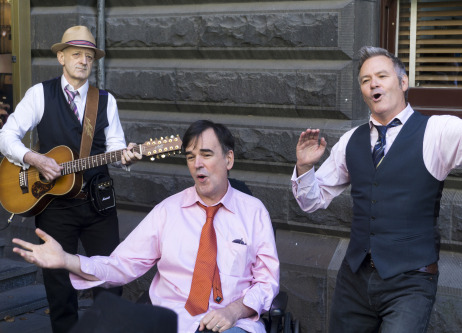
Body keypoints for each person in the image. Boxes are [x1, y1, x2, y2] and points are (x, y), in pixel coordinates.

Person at [292, 46, 462, 333]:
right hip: (355, 279)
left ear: (403, 83)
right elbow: (311, 202)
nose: (373, 83)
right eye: (365, 80)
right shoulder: (350, 140)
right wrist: (304, 168)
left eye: (381, 76)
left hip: (410, 281)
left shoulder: (436, 131)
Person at [12, 120, 280, 333]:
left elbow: (267, 282)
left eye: (207, 154)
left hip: (233, 324)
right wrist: (67, 260)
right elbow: (121, 265)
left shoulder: (253, 212)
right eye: (190, 157)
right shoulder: (167, 211)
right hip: (172, 322)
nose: (197, 164)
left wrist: (234, 311)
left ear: (228, 160)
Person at [0, 25, 141, 333]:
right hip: (53, 207)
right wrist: (34, 158)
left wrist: (126, 154)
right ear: (61, 57)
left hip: (98, 204)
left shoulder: (105, 100)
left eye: (89, 56)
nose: (83, 60)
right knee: (59, 286)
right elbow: (6, 136)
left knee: (110, 279)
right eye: (76, 54)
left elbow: (115, 144)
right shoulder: (40, 94)